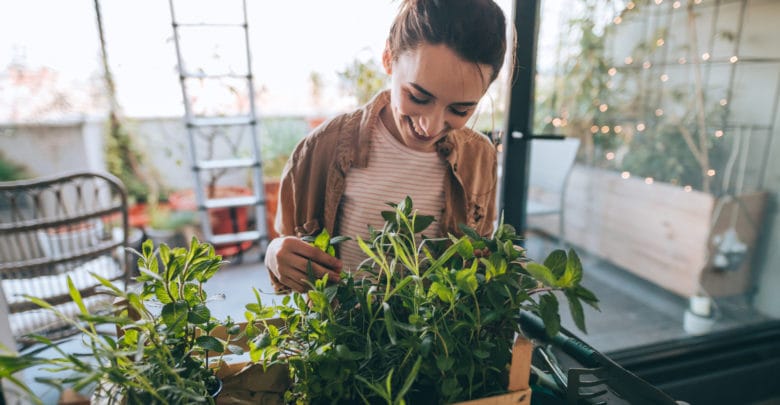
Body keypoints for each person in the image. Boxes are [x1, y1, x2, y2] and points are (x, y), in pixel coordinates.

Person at [265, 0, 513, 293]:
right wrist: (275, 255)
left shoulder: (480, 158)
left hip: (438, 339)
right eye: (418, 97)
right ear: (388, 58)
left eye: (460, 110)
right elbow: (286, 250)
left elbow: (479, 263)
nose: (430, 127)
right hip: (343, 333)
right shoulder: (321, 148)